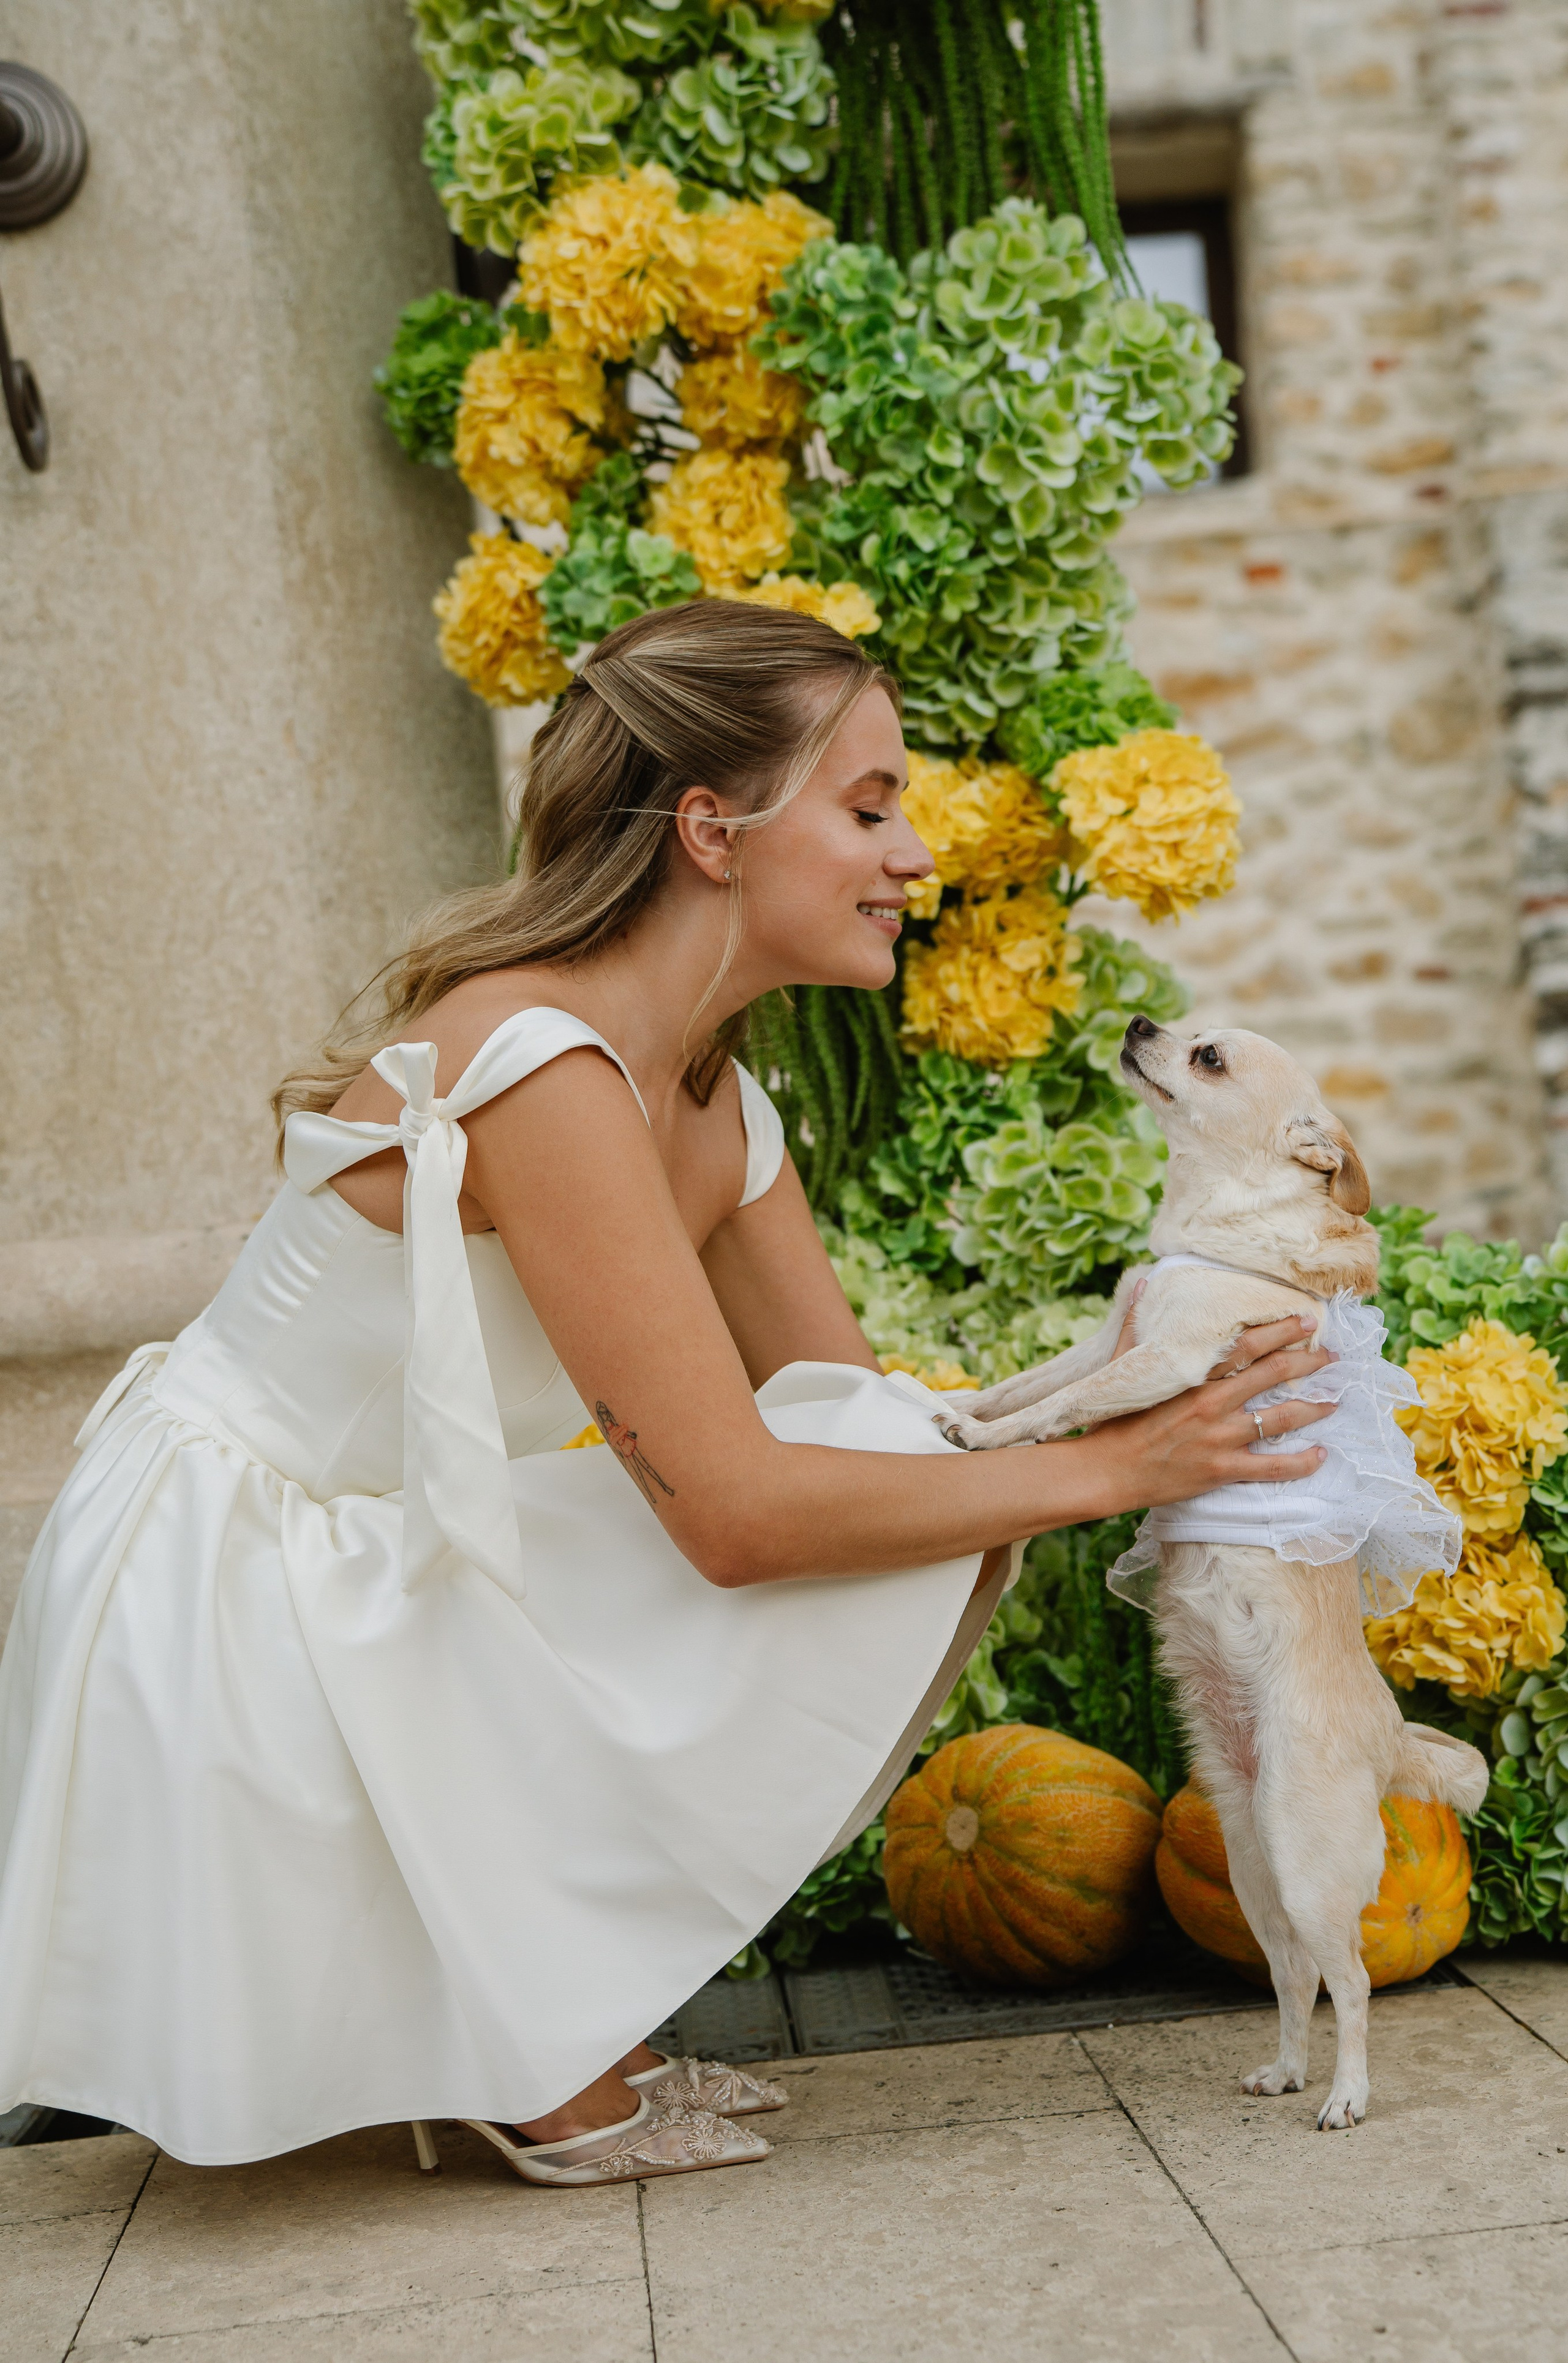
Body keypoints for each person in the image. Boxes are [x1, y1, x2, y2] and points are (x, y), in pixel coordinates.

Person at [0, 603, 1332, 2185]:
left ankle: (557, 2000)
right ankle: (533, 2038)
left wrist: (1136, 1373)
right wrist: (1117, 1466)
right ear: (712, 827)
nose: (916, 854)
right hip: (225, 1593)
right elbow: (738, 1518)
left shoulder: (711, 1098)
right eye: (869, 806)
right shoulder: (539, 1063)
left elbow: (857, 1430)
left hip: (381, 1542)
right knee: (887, 1489)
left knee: (914, 1463)